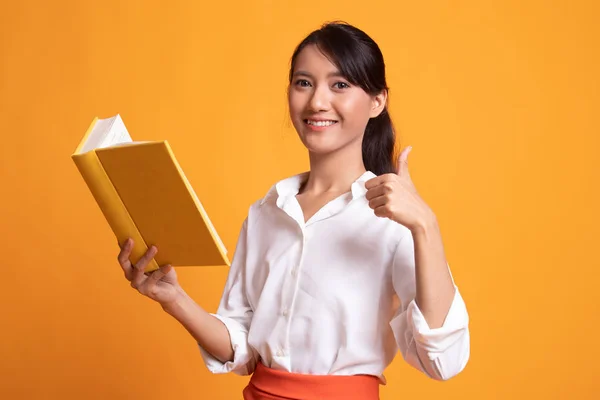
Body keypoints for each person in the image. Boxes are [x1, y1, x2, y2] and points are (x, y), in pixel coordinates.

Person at [117, 21, 470, 400]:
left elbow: (443, 361)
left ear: (377, 101)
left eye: (340, 85)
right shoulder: (266, 213)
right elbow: (242, 348)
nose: (317, 102)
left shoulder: (394, 217)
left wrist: (426, 226)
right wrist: (175, 300)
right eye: (304, 83)